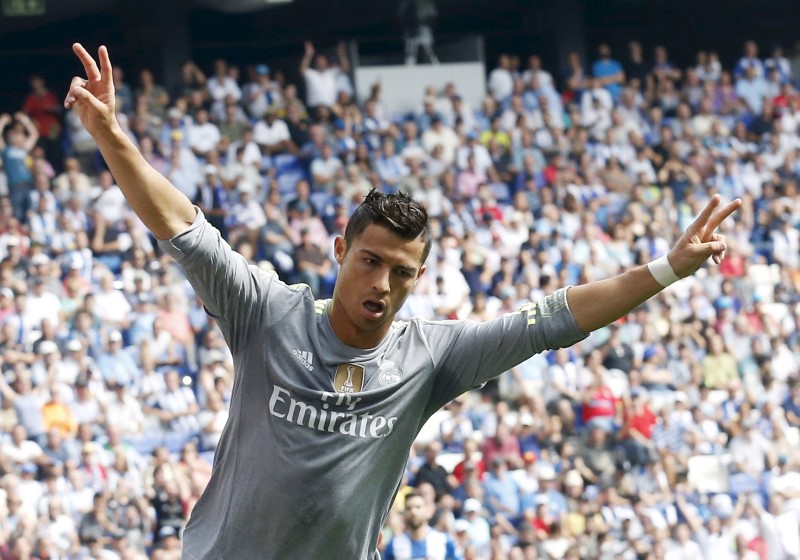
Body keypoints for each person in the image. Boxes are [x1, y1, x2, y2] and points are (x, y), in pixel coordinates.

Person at [64, 43, 740, 560]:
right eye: (371, 262)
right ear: (340, 251)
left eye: (402, 273)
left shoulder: (432, 357)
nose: (382, 286)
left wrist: (666, 269)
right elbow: (183, 226)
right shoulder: (267, 313)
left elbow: (555, 318)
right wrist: (110, 135)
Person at [383, 491, 461, 560]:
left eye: (418, 507)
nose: (413, 512)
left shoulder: (444, 540)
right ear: (404, 514)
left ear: (428, 511)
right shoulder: (394, 544)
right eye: (409, 508)